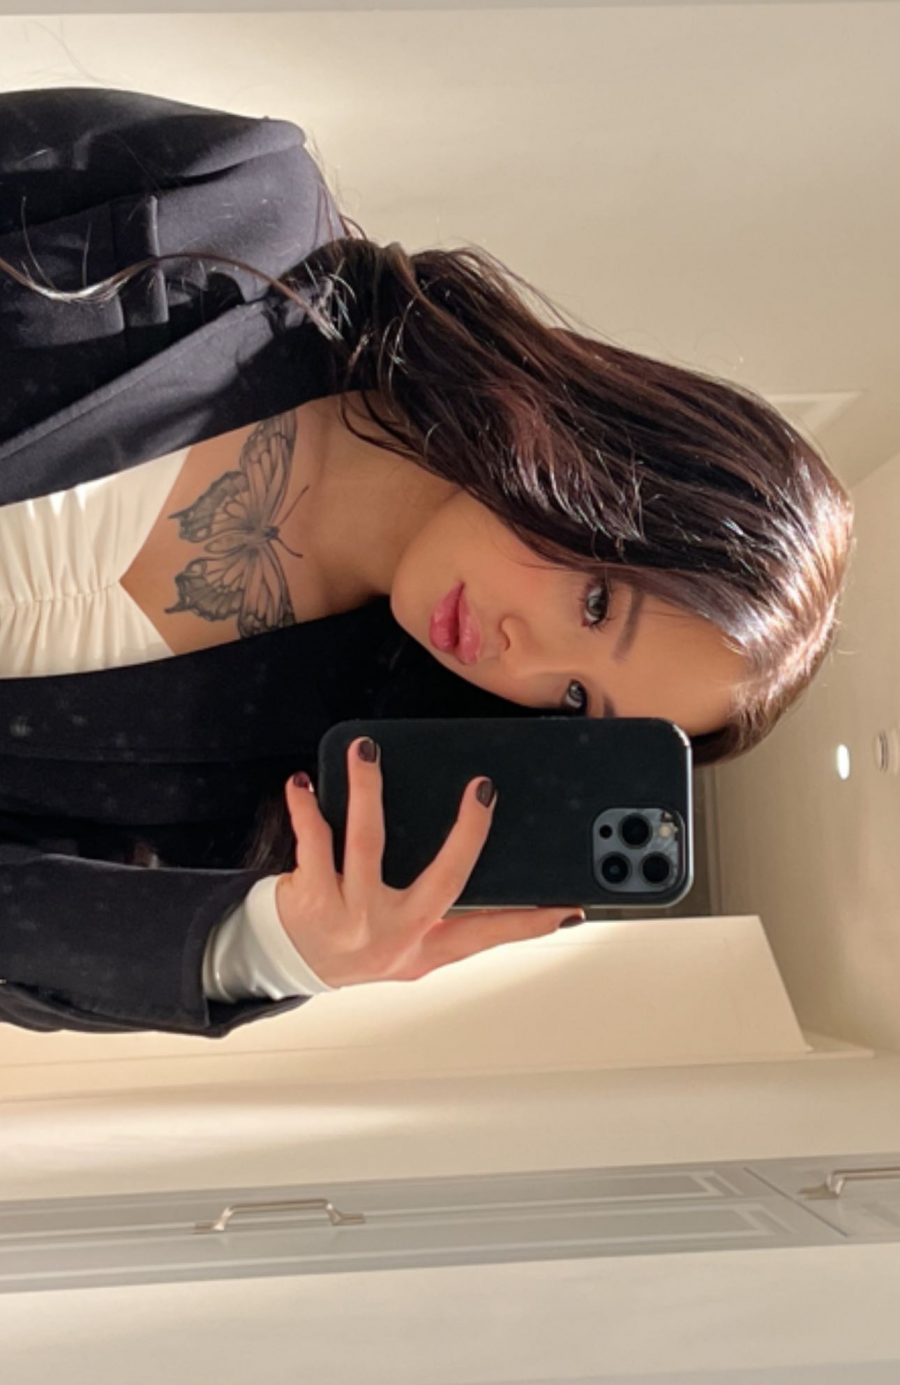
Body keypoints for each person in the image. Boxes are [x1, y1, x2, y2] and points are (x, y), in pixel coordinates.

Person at [0, 86, 853, 1037]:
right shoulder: (238, 202)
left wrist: (264, 948)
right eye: (598, 605)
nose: (520, 660)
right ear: (608, 456)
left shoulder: (281, 792)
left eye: (576, 700)